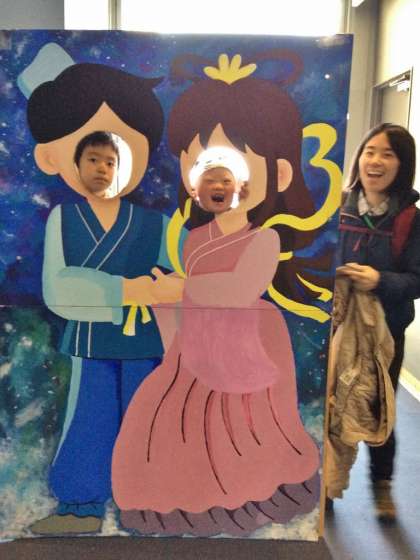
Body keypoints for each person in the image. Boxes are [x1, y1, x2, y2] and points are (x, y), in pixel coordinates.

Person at [111, 51, 336, 537]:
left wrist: (182, 288)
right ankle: (177, 499)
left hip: (246, 343)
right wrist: (166, 306)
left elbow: (237, 289)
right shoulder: (194, 238)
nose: (219, 185)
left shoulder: (265, 238)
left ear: (265, 178)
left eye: (230, 173)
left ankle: (238, 498)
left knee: (238, 428)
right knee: (164, 418)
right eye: (206, 173)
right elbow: (188, 299)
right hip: (194, 346)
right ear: (194, 185)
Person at [20, 51, 183, 535]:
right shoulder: (64, 219)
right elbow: (57, 287)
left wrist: (164, 289)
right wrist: (128, 289)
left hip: (142, 342)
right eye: (93, 159)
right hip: (91, 342)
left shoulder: (155, 223)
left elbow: (182, 276)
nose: (102, 169)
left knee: (143, 421)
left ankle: (146, 504)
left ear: (124, 169)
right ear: (75, 164)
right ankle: (81, 507)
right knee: (88, 420)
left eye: (111, 162)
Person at [336, 123, 420, 519]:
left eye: (388, 154)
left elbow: (417, 279)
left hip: (386, 332)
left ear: (402, 164)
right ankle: (325, 486)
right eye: (370, 151)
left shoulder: (410, 219)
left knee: (378, 405)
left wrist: (379, 280)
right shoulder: (337, 207)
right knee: (330, 404)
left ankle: (382, 486)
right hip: (336, 327)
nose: (375, 160)